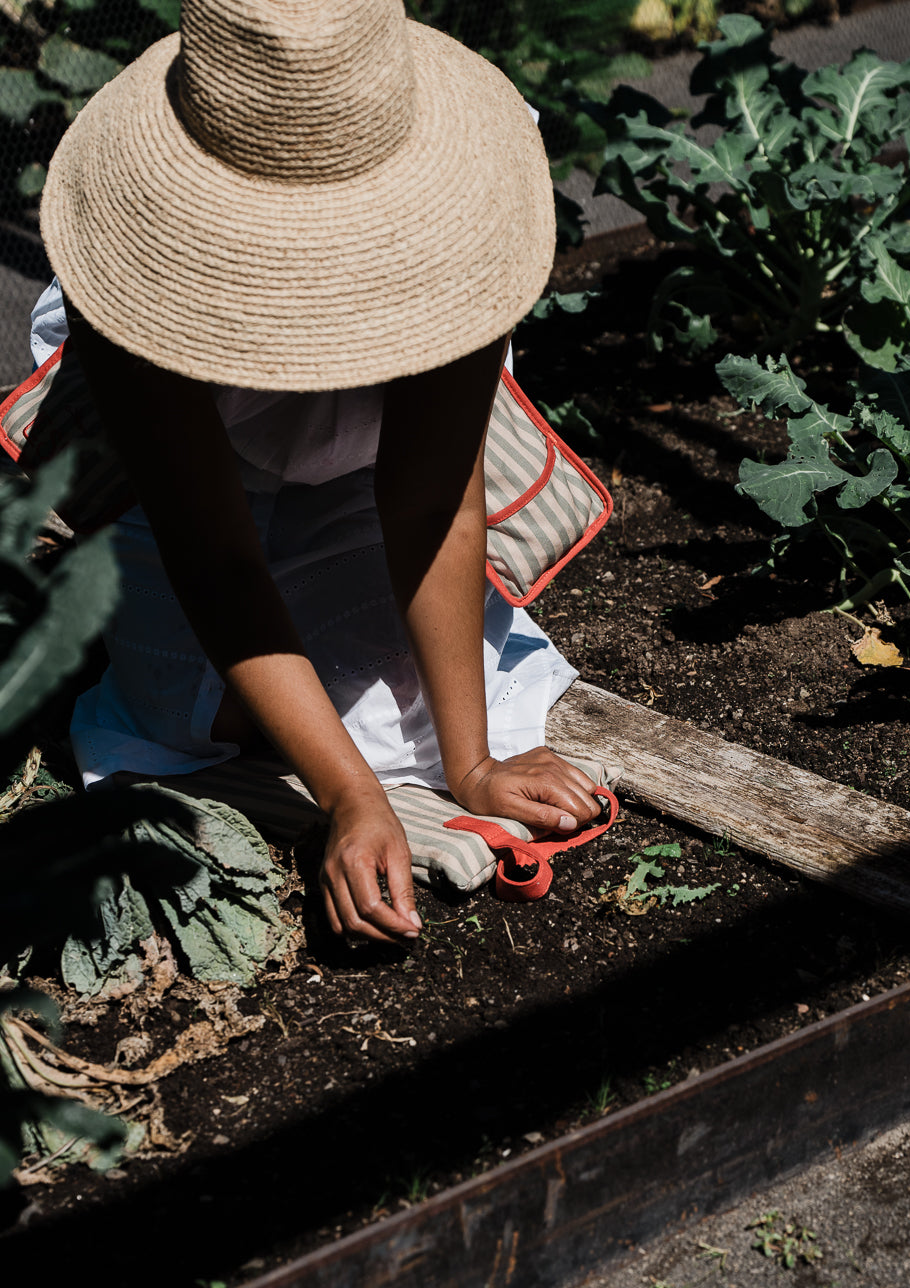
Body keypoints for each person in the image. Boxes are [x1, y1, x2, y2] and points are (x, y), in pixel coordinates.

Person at [34, 0, 603, 946]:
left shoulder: (450, 225)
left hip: (367, 481)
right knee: (202, 714)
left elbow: (432, 505)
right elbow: (214, 555)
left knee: (412, 711)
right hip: (188, 507)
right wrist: (349, 796)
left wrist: (469, 765)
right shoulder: (148, 285)